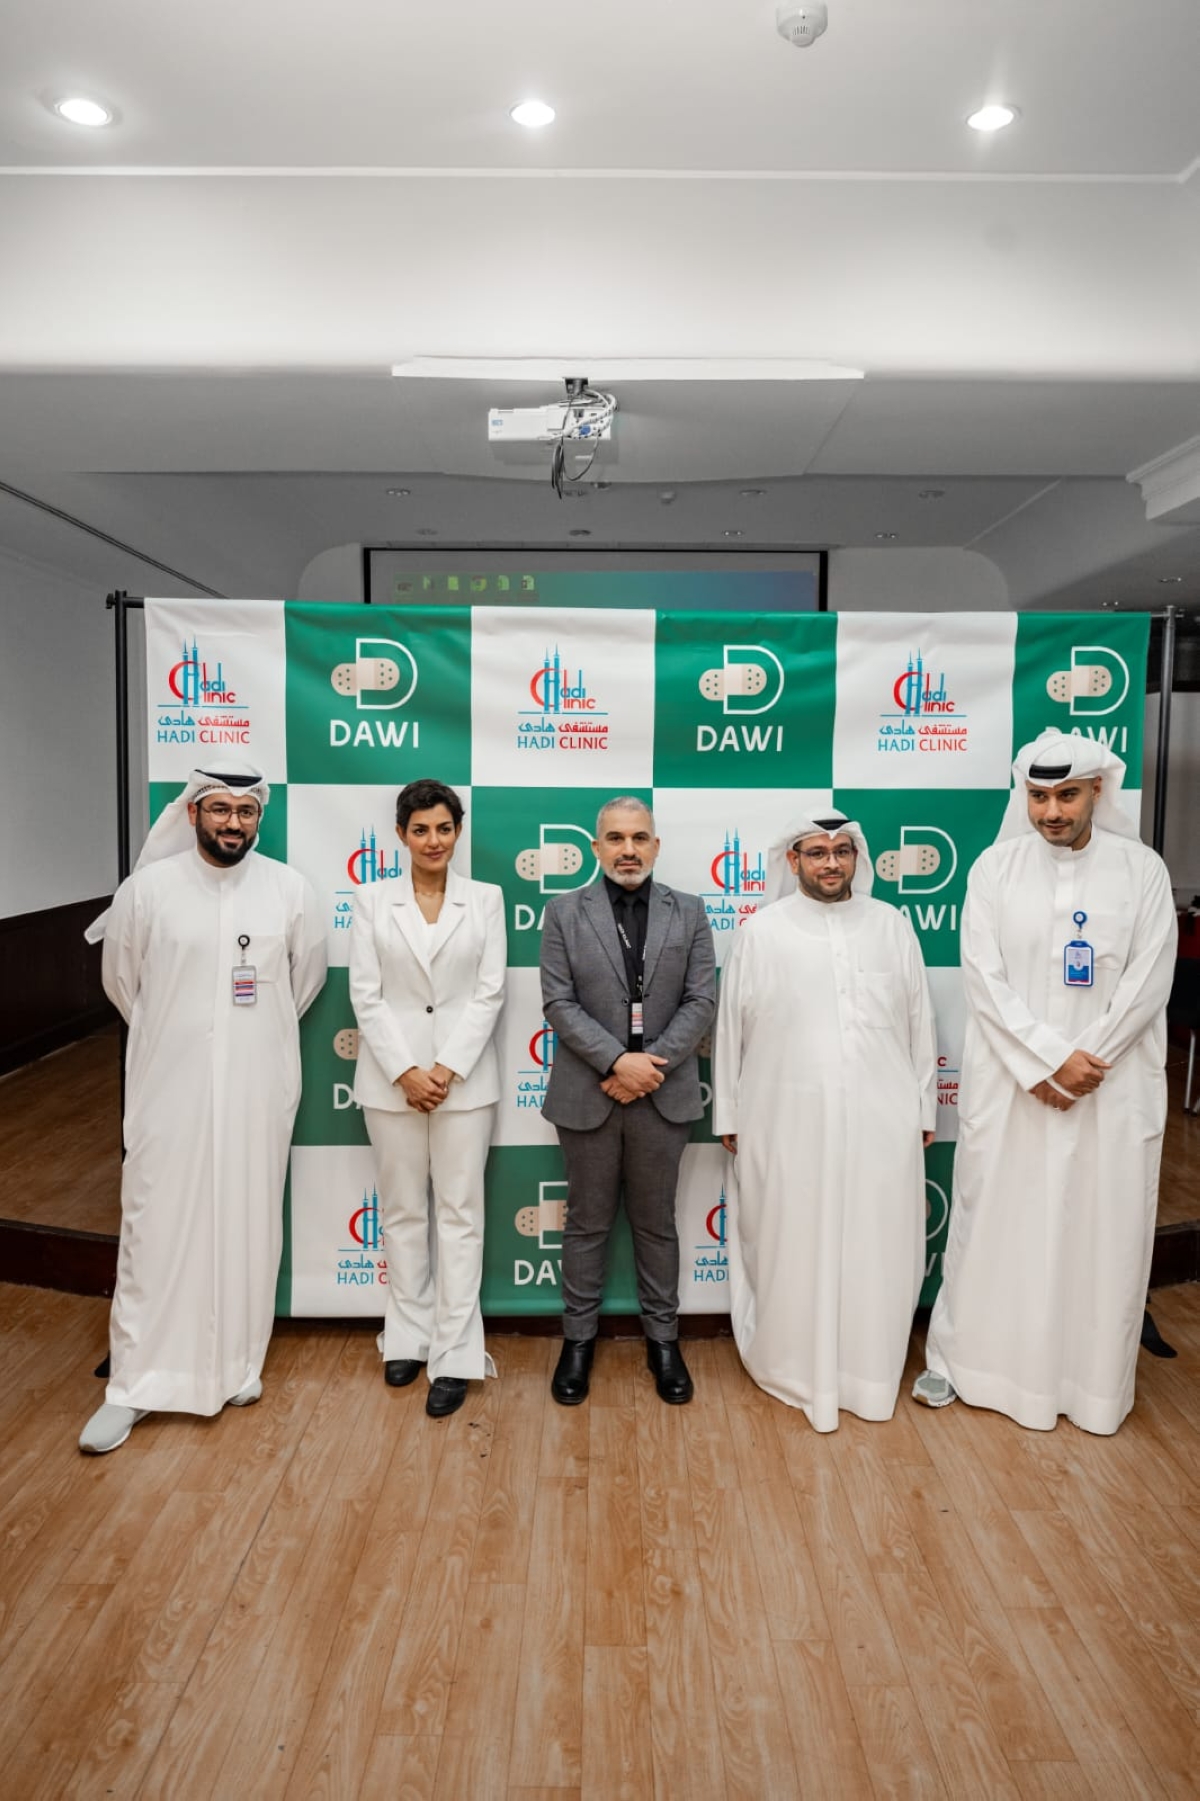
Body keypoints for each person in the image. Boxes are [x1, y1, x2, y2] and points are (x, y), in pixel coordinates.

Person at [916, 731, 1177, 1434]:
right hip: (1014, 1087)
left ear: (1097, 791)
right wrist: (1045, 1061)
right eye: (1038, 796)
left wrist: (1085, 1060)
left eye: (1066, 795)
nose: (1051, 811)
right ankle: (970, 1367)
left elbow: (1149, 979)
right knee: (998, 1222)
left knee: (1100, 1229)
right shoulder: (994, 869)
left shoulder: (1142, 870)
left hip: (1109, 1088)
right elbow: (983, 978)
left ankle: (1089, 1388)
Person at [80, 759, 327, 1454]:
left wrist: (240, 1044)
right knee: (155, 1225)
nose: (233, 823)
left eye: (246, 811)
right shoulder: (147, 890)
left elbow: (301, 983)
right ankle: (134, 1384)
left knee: (249, 1222)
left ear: (258, 818)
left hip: (258, 1085)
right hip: (169, 1087)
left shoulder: (289, 890)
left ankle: (237, 1367)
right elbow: (123, 984)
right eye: (220, 809)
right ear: (193, 813)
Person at [713, 811, 937, 1430]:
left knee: (877, 1240)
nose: (831, 863)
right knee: (791, 1235)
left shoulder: (891, 924)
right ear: (793, 861)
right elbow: (731, 1030)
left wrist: (924, 1105)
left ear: (857, 859)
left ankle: (868, 1370)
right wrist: (729, 1111)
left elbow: (920, 1021)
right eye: (817, 852)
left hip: (882, 1115)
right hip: (784, 1116)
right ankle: (790, 1364)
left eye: (842, 851)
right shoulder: (761, 932)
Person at [539, 798, 716, 1405]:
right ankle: (577, 1342)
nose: (628, 849)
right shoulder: (564, 912)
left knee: (656, 1224)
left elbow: (701, 1001)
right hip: (588, 1092)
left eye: (640, 837)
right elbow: (558, 1002)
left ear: (656, 845)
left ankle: (663, 1341)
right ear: (596, 847)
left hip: (662, 1096)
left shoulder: (689, 911)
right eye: (615, 838)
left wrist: (647, 1068)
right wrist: (618, 1062)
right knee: (586, 1224)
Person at [350, 779, 506, 1419]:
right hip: (392, 1085)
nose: (433, 841)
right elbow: (366, 995)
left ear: (458, 832)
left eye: (443, 828)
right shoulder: (370, 899)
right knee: (403, 1212)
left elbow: (490, 992)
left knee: (461, 1215)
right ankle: (407, 1338)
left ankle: (455, 1353)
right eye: (420, 830)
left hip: (464, 1084)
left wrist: (444, 1068)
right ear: (401, 835)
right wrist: (407, 1071)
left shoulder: (487, 898)